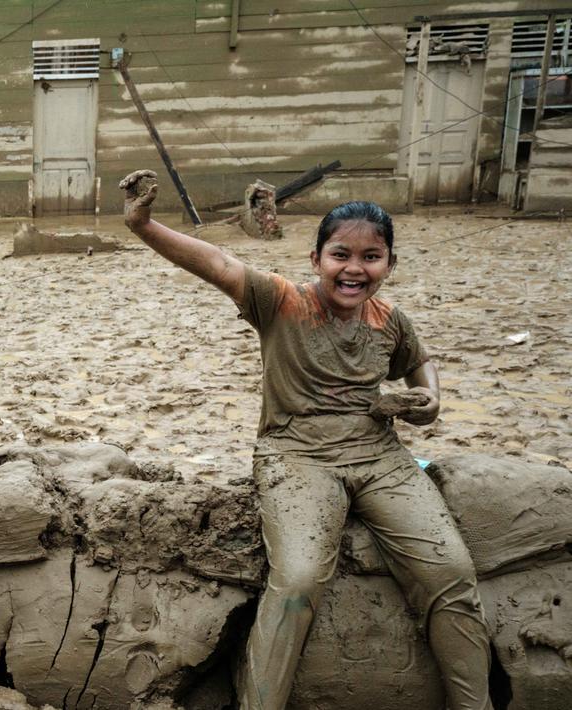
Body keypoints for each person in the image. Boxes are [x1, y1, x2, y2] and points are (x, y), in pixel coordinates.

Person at [119, 171, 492, 710]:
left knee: (452, 572)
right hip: (295, 456)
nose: (354, 269)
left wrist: (427, 400)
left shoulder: (391, 321)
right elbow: (217, 263)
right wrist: (144, 224)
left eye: (372, 258)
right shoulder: (281, 301)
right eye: (341, 255)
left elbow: (421, 364)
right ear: (316, 259)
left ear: (389, 265)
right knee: (296, 581)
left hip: (380, 457)